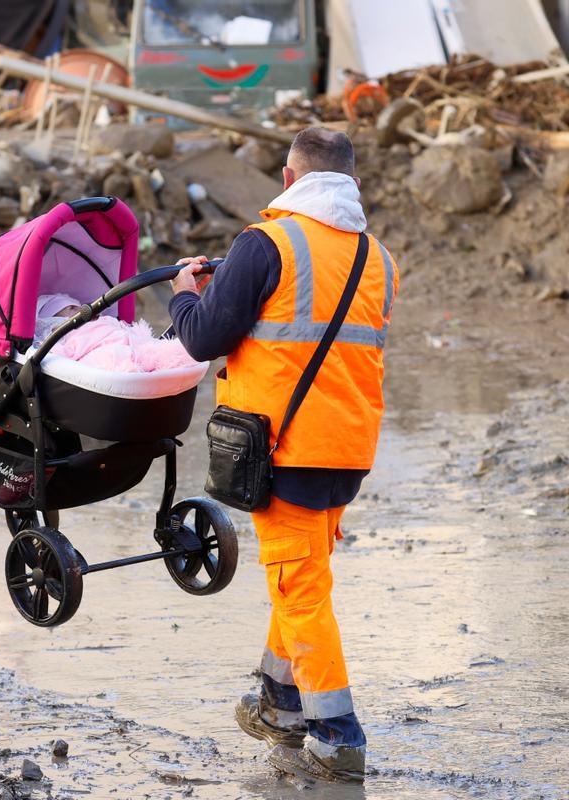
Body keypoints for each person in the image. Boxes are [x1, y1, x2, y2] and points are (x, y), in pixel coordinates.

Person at [168, 128, 398, 783]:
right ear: (348, 183)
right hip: (348, 446)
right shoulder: (377, 256)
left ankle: (337, 735)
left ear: (291, 179)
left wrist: (187, 292)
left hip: (282, 447)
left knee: (301, 591)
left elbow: (204, 337)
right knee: (299, 578)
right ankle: (279, 703)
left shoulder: (265, 242)